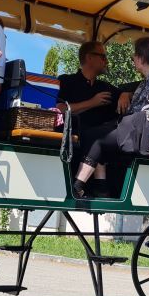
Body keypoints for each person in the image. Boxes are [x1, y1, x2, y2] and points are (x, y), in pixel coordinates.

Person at [71, 37, 149, 198]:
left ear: (142, 58)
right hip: (140, 129)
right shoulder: (145, 83)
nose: (133, 59)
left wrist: (132, 120)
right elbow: (134, 109)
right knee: (91, 133)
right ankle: (100, 188)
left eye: (134, 56)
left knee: (99, 138)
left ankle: (78, 186)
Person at [58, 41, 121, 192]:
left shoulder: (105, 87)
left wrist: (124, 94)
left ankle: (97, 187)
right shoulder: (66, 81)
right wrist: (92, 102)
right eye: (103, 56)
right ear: (89, 58)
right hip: (74, 141)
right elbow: (60, 109)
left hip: (100, 145)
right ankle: (91, 186)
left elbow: (127, 95)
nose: (106, 61)